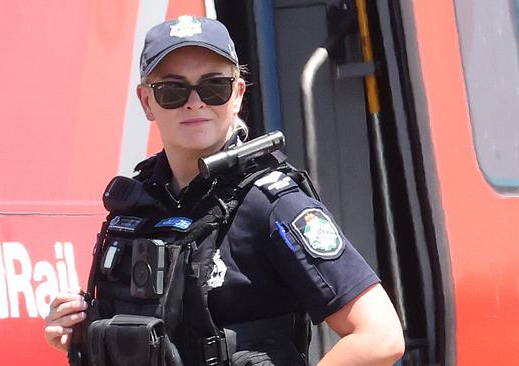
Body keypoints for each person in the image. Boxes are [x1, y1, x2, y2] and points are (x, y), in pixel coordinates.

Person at [45, 15, 404, 365]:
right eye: (172, 90)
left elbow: (379, 336)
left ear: (237, 94)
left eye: (213, 86)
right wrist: (79, 334)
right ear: (146, 102)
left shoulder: (271, 204)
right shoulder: (135, 205)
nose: (195, 102)